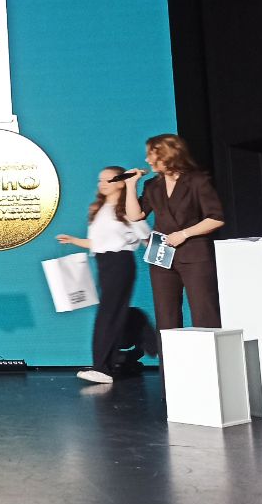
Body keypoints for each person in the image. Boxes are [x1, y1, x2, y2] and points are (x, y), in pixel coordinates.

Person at [57, 166, 152, 384]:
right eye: (100, 180)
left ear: (121, 182)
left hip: (120, 262)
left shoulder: (126, 209)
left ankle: (102, 368)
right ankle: (112, 361)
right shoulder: (98, 209)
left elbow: (145, 236)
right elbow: (96, 243)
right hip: (104, 263)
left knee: (108, 314)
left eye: (109, 180)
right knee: (111, 313)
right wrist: (73, 240)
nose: (102, 184)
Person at [124, 133, 225, 332]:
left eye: (151, 154)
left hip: (194, 254)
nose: (147, 160)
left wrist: (184, 234)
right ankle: (169, 353)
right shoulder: (153, 185)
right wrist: (130, 185)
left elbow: (216, 218)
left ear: (167, 154)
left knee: (204, 311)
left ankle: (208, 352)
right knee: (166, 315)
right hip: (161, 255)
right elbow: (135, 215)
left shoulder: (197, 181)